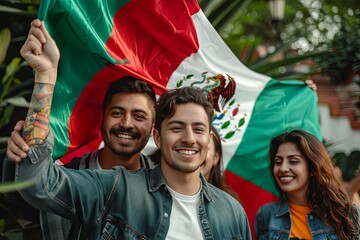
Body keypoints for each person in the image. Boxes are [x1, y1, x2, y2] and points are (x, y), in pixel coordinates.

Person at [7, 19, 251, 239]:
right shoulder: (114, 187)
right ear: (158, 134)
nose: (189, 138)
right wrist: (46, 76)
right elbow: (37, 184)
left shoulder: (232, 213)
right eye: (177, 128)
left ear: (210, 140)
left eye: (198, 129)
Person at [4, 23, 156, 239]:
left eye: (139, 116)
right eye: (117, 113)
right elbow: (23, 189)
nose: (127, 123)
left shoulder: (165, 187)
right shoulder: (63, 174)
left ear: (153, 128)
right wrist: (45, 74)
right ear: (102, 118)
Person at [255, 130, 360, 239]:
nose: (283, 168)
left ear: (313, 168)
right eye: (278, 162)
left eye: (293, 161)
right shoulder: (266, 214)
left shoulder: (345, 213)